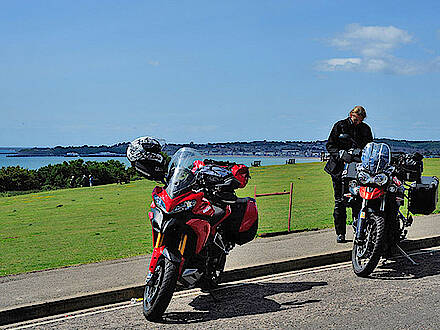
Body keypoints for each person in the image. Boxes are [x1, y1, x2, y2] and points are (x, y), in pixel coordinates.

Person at [324, 106, 373, 243]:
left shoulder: (365, 129)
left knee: (358, 201)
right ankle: (340, 233)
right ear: (351, 115)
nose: (358, 122)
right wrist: (340, 153)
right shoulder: (340, 126)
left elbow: (369, 146)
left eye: (360, 120)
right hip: (338, 169)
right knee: (340, 201)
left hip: (357, 169)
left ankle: (359, 231)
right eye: (356, 119)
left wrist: (360, 152)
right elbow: (330, 145)